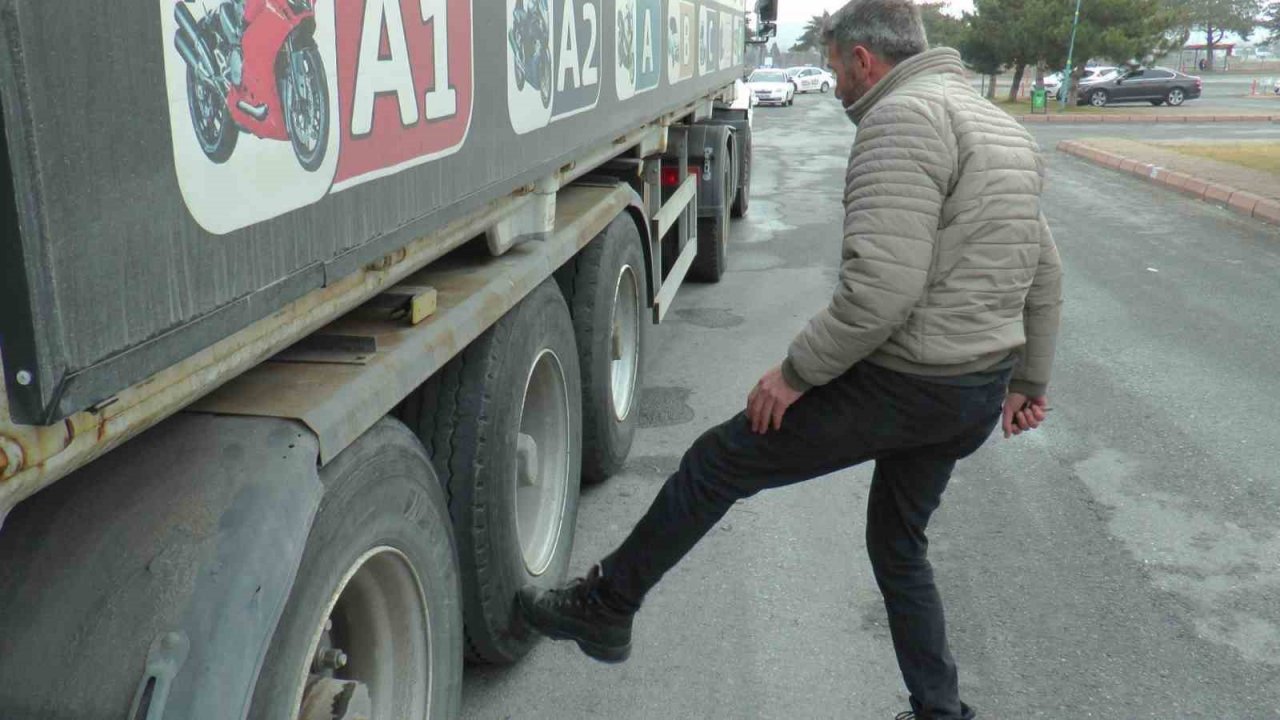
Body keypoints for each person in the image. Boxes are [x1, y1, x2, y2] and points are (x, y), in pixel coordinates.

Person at [518, 0, 1063, 717]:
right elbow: (1045, 272)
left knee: (718, 463)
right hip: (972, 391)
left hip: (910, 383)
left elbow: (881, 293)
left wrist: (795, 374)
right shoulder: (1001, 128)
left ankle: (608, 604)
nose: (833, 82)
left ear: (865, 60)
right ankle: (940, 711)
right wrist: (1027, 380)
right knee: (898, 545)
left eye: (834, 66)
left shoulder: (901, 120)